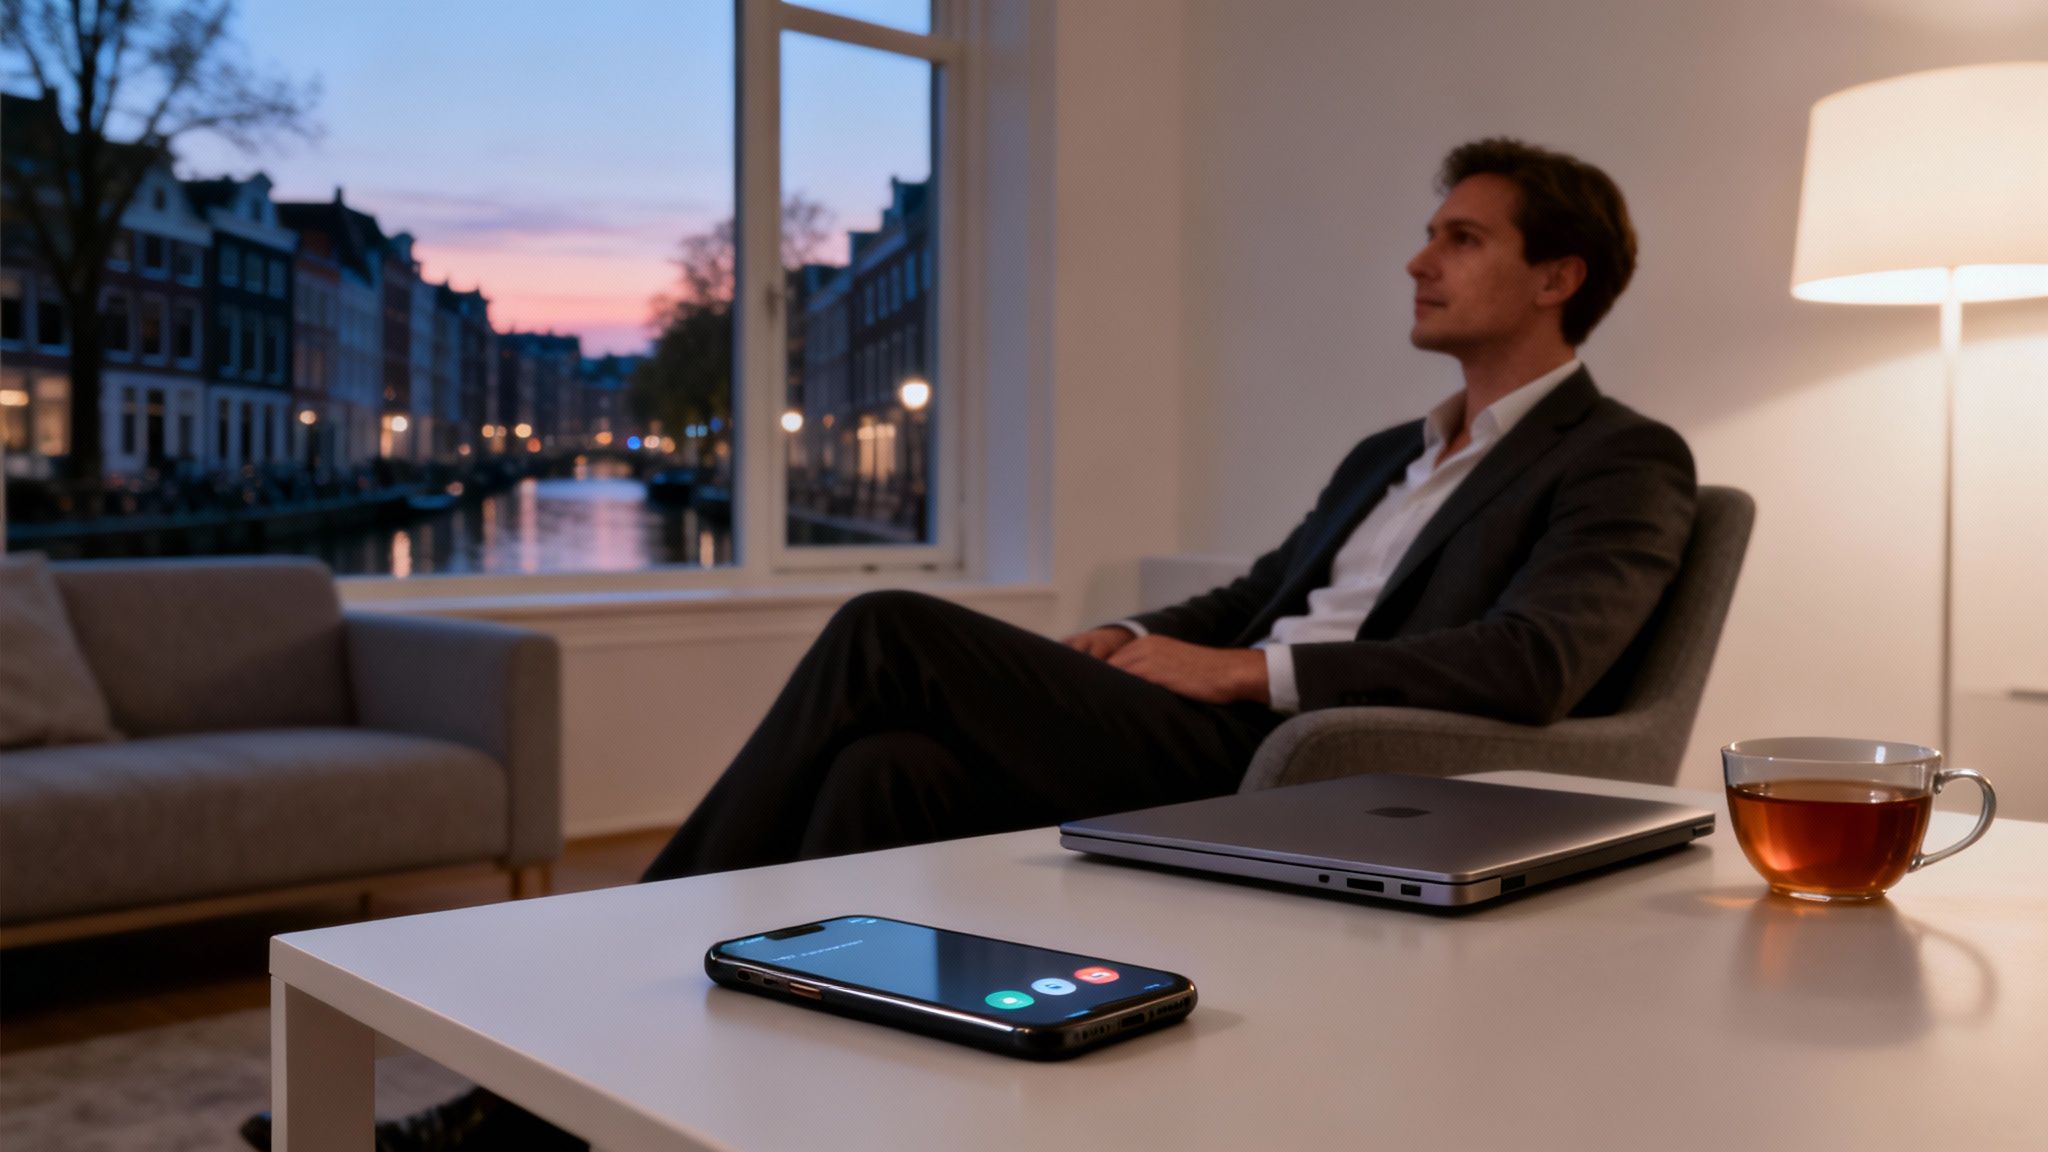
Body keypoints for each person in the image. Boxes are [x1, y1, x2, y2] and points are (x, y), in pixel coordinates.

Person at [242, 136, 1695, 1151]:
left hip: (1307, 759)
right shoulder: (1396, 445)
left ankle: (554, 1033)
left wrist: (1249, 675)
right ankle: (737, 1113)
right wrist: (1139, 631)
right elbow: (1261, 589)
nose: (1417, 259)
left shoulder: (1622, 458)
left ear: (1558, 275)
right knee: (883, 770)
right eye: (1429, 230)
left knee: (885, 624)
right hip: (1230, 708)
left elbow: (1535, 662)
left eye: (1460, 236)